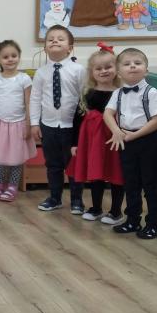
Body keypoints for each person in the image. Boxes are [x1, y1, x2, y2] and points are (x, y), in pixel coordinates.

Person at [103, 47, 157, 239]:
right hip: (126, 141)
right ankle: (132, 219)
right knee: (131, 183)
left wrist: (135, 135)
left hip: (148, 141)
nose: (132, 66)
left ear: (146, 70)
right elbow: (108, 114)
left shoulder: (151, 92)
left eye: (137, 63)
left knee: (151, 184)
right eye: (127, 64)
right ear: (118, 72)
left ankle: (153, 224)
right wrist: (116, 131)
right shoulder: (118, 93)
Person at [64, 44, 125, 224]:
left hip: (115, 139)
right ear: (92, 72)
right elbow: (77, 118)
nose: (104, 71)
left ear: (116, 68)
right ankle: (96, 208)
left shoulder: (122, 93)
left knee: (116, 174)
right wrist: (75, 143)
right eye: (99, 68)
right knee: (95, 173)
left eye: (108, 67)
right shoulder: (87, 93)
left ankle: (116, 211)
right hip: (92, 141)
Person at [30, 25, 86, 212]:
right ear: (45, 47)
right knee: (53, 164)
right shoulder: (41, 72)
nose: (55, 40)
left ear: (70, 48)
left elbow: (84, 98)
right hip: (48, 125)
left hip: (71, 127)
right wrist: (34, 123)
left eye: (60, 39)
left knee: (73, 164)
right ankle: (55, 198)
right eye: (50, 39)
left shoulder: (78, 70)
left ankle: (77, 200)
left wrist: (82, 126)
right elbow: (35, 98)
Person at [0, 40, 36, 202]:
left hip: (18, 124)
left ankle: (12, 186)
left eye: (14, 56)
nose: (10, 59)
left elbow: (28, 103)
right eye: (5, 57)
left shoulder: (24, 79)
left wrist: (28, 124)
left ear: (19, 57)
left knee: (16, 157)